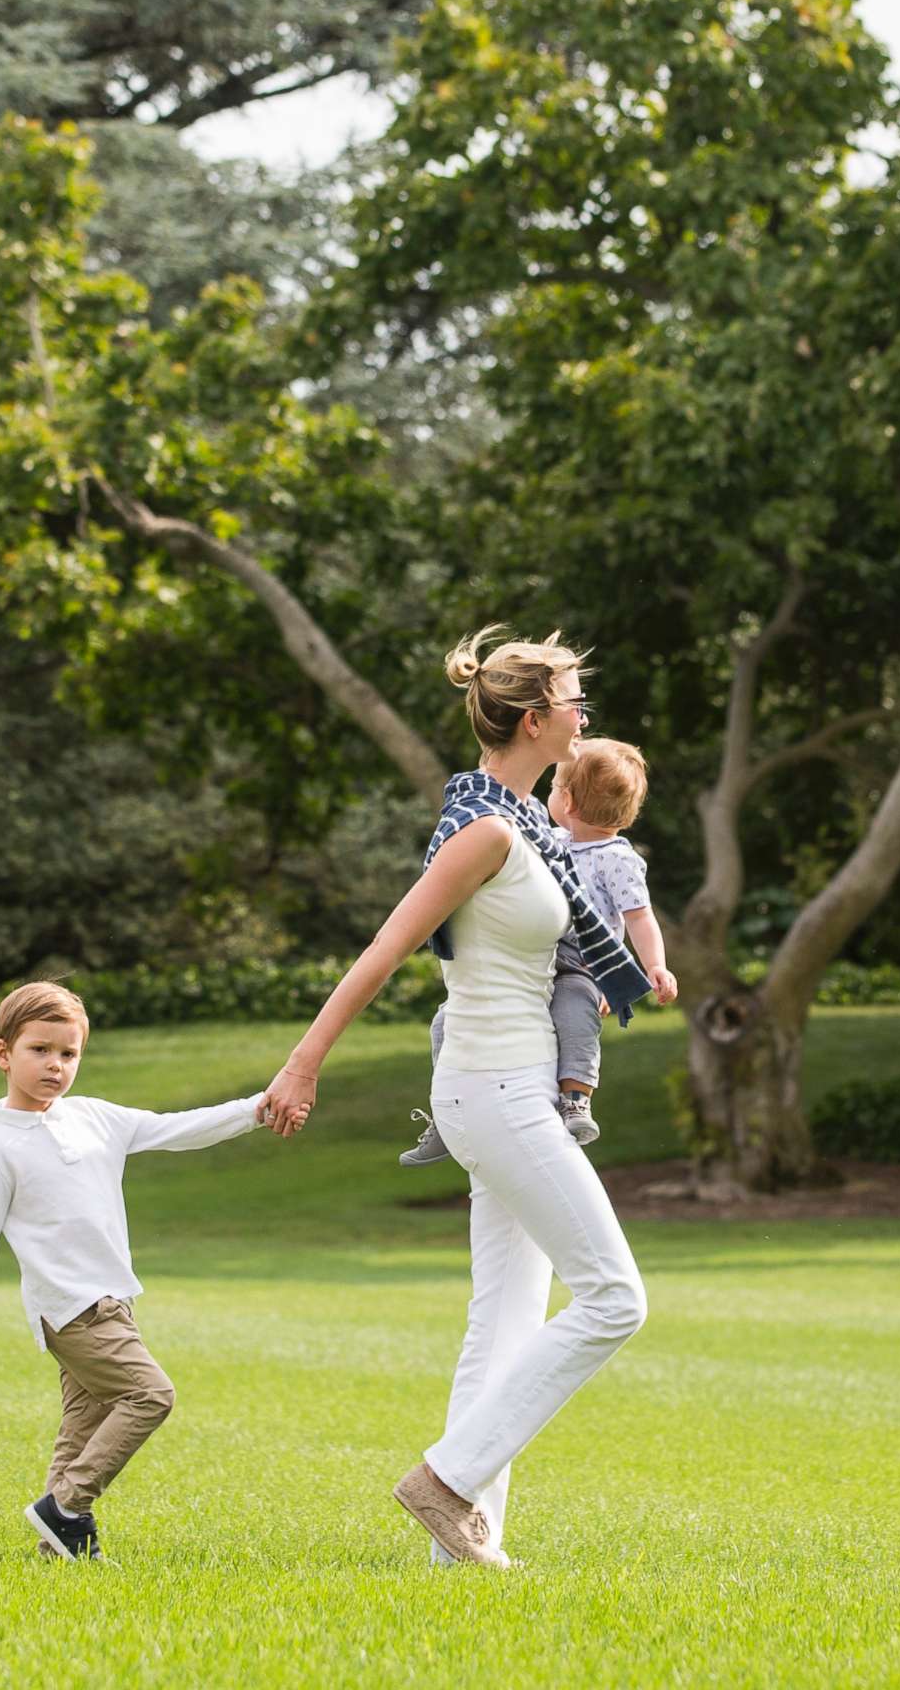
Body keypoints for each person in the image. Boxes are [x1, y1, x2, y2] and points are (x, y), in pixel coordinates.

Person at [261, 628, 653, 1569]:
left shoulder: (527, 827)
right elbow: (385, 950)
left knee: (507, 1320)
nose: (584, 715)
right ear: (533, 720)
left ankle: (460, 1554)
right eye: (571, 699)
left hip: (502, 1087)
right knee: (614, 1299)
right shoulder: (485, 832)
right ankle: (445, 1479)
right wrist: (302, 1064)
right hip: (498, 1089)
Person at [0, 982, 276, 1563]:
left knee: (83, 1424)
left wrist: (258, 1109)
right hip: (69, 1311)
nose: (55, 1065)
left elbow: (182, 1128)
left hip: (112, 1303)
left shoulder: (95, 1118)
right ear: (4, 1054)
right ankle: (67, 1507)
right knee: (151, 1395)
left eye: (68, 1054)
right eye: (40, 1050)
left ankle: (58, 1547)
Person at [401, 735, 677, 1164]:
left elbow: (639, 916)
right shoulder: (544, 837)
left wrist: (654, 965)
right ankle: (445, 1113)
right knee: (446, 1021)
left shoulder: (616, 858)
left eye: (552, 787)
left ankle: (575, 1098)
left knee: (577, 1013)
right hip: (534, 954)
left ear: (566, 801)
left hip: (581, 962)